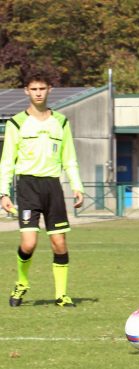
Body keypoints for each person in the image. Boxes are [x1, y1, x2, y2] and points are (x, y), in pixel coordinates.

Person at [0, 69, 84, 307]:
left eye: (42, 88)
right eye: (34, 89)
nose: (38, 93)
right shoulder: (16, 123)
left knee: (59, 243)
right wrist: (3, 192)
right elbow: (7, 161)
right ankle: (21, 283)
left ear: (50, 90)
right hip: (27, 185)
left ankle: (61, 295)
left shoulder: (61, 122)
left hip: (53, 187)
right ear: (27, 91)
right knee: (29, 243)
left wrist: (77, 186)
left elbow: (70, 158)